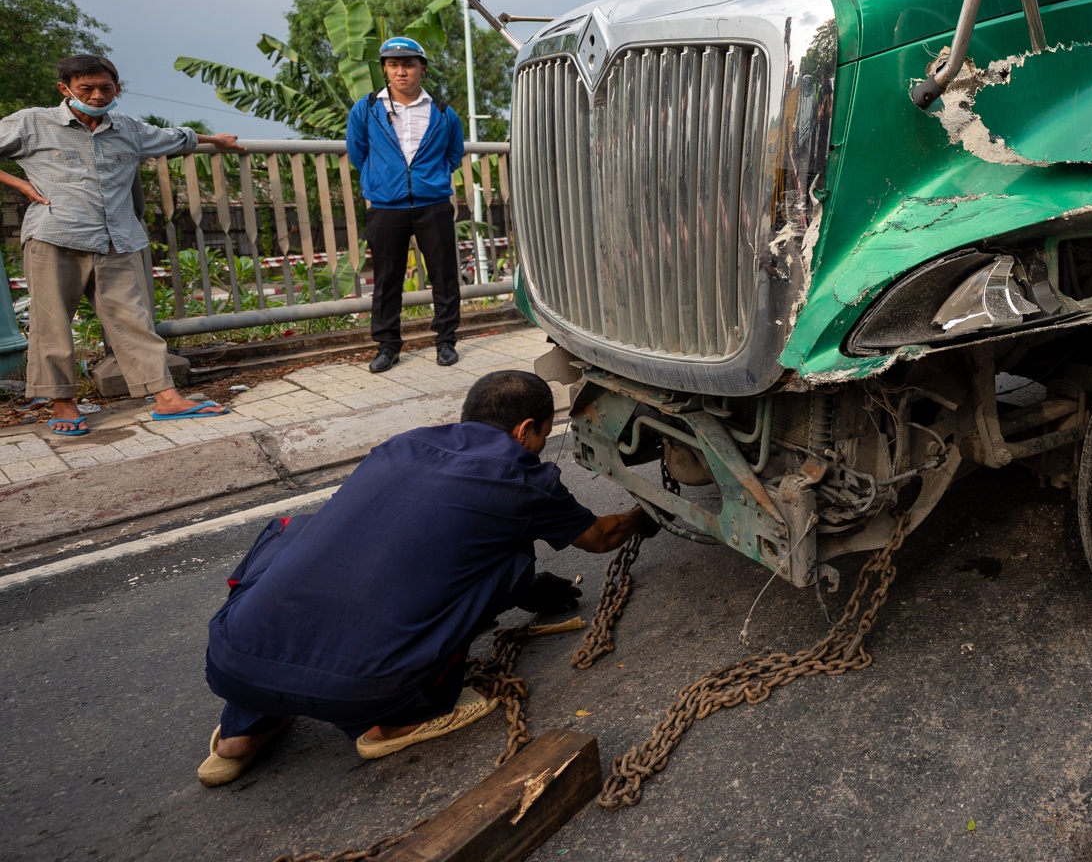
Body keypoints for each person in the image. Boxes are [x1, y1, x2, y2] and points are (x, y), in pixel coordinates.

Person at [198, 369, 658, 786]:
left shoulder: (403, 444)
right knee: (510, 557)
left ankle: (241, 732)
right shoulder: (521, 478)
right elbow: (600, 537)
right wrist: (643, 515)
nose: (540, 445)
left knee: (298, 532)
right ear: (525, 430)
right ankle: (398, 720)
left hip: (232, 661)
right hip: (366, 690)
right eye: (542, 433)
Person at [0, 55, 245, 436]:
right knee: (53, 325)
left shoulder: (128, 129)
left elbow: (177, 138)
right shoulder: (32, 122)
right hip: (55, 237)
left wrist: (216, 140)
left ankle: (165, 398)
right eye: (87, 88)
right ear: (65, 89)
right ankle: (63, 402)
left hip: (116, 238)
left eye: (106, 88)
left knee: (134, 319)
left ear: (116, 88)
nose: (97, 95)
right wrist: (20, 185)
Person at [346, 37, 467, 373]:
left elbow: (453, 153)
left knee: (444, 275)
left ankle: (445, 340)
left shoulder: (443, 112)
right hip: (387, 206)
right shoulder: (367, 108)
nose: (401, 71)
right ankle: (387, 346)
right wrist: (383, 180)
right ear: (385, 69)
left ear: (422, 69)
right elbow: (359, 152)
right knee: (387, 279)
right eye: (393, 65)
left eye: (409, 64)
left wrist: (435, 177)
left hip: (433, 204)